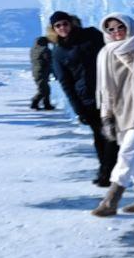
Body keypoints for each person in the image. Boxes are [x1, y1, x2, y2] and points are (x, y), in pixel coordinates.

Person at [92, 13, 134, 217]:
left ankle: (112, 198)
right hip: (121, 111)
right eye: (111, 29)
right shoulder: (105, 54)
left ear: (129, 26)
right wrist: (106, 116)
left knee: (127, 152)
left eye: (120, 27)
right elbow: (105, 90)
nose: (116, 32)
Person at [48, 11, 118, 187]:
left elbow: (112, 51)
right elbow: (66, 83)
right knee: (100, 135)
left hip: (109, 92)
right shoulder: (58, 52)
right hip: (87, 99)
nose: (62, 28)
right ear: (54, 29)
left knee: (112, 134)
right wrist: (78, 109)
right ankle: (105, 170)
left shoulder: (92, 35)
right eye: (58, 26)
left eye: (65, 23)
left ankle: (107, 172)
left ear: (71, 23)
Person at [29, 35, 55, 110]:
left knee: (45, 88)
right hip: (42, 71)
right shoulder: (45, 50)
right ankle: (35, 101)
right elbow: (50, 61)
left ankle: (46, 104)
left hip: (36, 71)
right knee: (44, 89)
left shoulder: (33, 49)